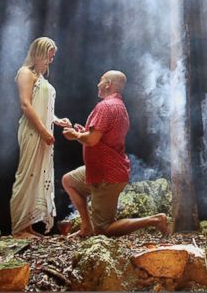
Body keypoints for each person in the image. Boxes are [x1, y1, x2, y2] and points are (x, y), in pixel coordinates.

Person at [61, 70, 170, 238]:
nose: (98, 84)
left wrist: (75, 136)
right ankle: (86, 227)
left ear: (108, 84)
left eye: (101, 80)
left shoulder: (105, 106)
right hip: (99, 169)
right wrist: (82, 133)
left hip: (106, 174)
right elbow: (100, 136)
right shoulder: (119, 106)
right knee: (69, 180)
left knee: (104, 229)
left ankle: (156, 220)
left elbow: (91, 140)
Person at [10, 36, 69, 239]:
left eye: (52, 58)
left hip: (42, 131)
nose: (50, 61)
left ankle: (28, 227)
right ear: (38, 54)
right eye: (48, 57)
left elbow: (41, 108)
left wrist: (57, 120)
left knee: (35, 177)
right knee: (26, 176)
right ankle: (18, 228)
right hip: (32, 131)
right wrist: (44, 131)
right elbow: (26, 105)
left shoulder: (41, 78)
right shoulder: (25, 73)